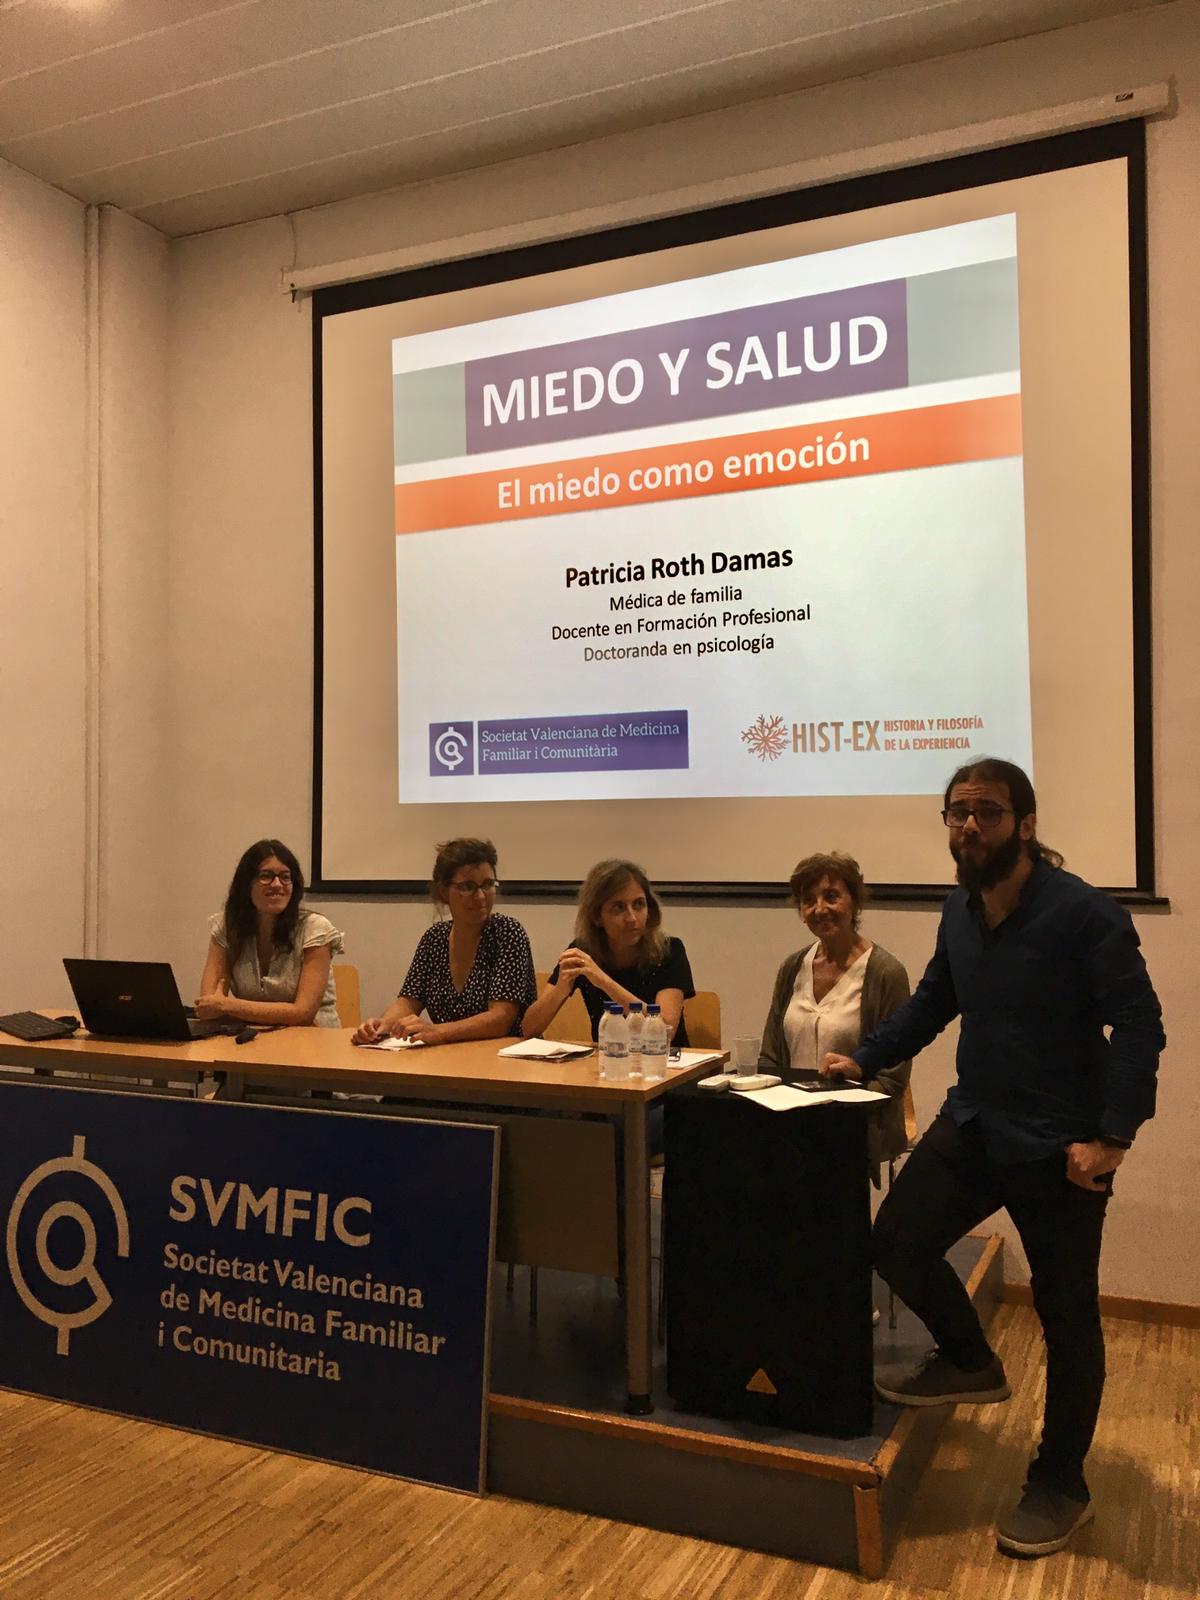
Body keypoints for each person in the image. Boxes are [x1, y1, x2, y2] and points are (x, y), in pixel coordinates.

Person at [821, 758, 1165, 1560]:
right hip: (974, 1123)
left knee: (1067, 1318)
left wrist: (1114, 1138)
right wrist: (865, 1057)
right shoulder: (961, 909)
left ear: (1026, 824)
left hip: (1064, 1148)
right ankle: (969, 1358)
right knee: (896, 1242)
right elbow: (935, 1000)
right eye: (958, 812)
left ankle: (1062, 1484)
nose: (969, 826)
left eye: (988, 812)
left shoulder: (1086, 915)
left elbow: (1139, 1025)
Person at [758, 851, 911, 1180]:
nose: (819, 909)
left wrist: (837, 1113)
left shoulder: (886, 973)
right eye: (808, 900)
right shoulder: (791, 968)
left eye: (831, 896)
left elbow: (892, 1079)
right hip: (790, 1121)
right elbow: (769, 1057)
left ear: (855, 902)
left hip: (852, 1126)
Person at [354, 838, 534, 1044]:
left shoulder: (508, 932)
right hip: (448, 1055)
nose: (481, 896)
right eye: (468, 886)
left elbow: (501, 1018)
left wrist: (438, 1032)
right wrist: (382, 1025)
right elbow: (409, 1002)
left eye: (488, 885)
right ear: (443, 892)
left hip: (503, 1054)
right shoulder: (435, 938)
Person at [522, 859, 694, 1044]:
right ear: (597, 916)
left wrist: (603, 981)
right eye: (619, 907)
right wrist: (560, 990)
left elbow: (665, 1032)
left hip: (665, 1060)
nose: (631, 918)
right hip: (608, 1059)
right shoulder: (583, 952)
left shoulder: (670, 950)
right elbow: (529, 1029)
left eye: (639, 904)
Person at [197, 839, 344, 1027]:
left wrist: (229, 1006)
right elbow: (209, 1005)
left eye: (285, 877)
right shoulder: (227, 927)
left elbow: (303, 1013)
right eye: (265, 876)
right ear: (246, 884)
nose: (277, 884)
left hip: (315, 1038)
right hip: (252, 1038)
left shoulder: (315, 929)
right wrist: (222, 1007)